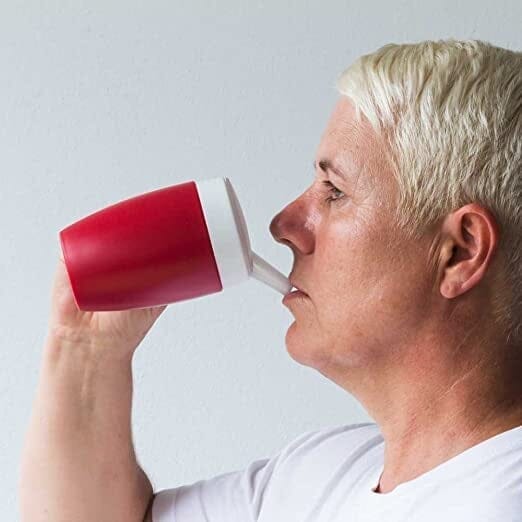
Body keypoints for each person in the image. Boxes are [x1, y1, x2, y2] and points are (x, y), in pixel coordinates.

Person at [19, 38, 522, 522]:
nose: (283, 225)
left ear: (460, 252)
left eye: (334, 191)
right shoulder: (321, 472)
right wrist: (87, 349)